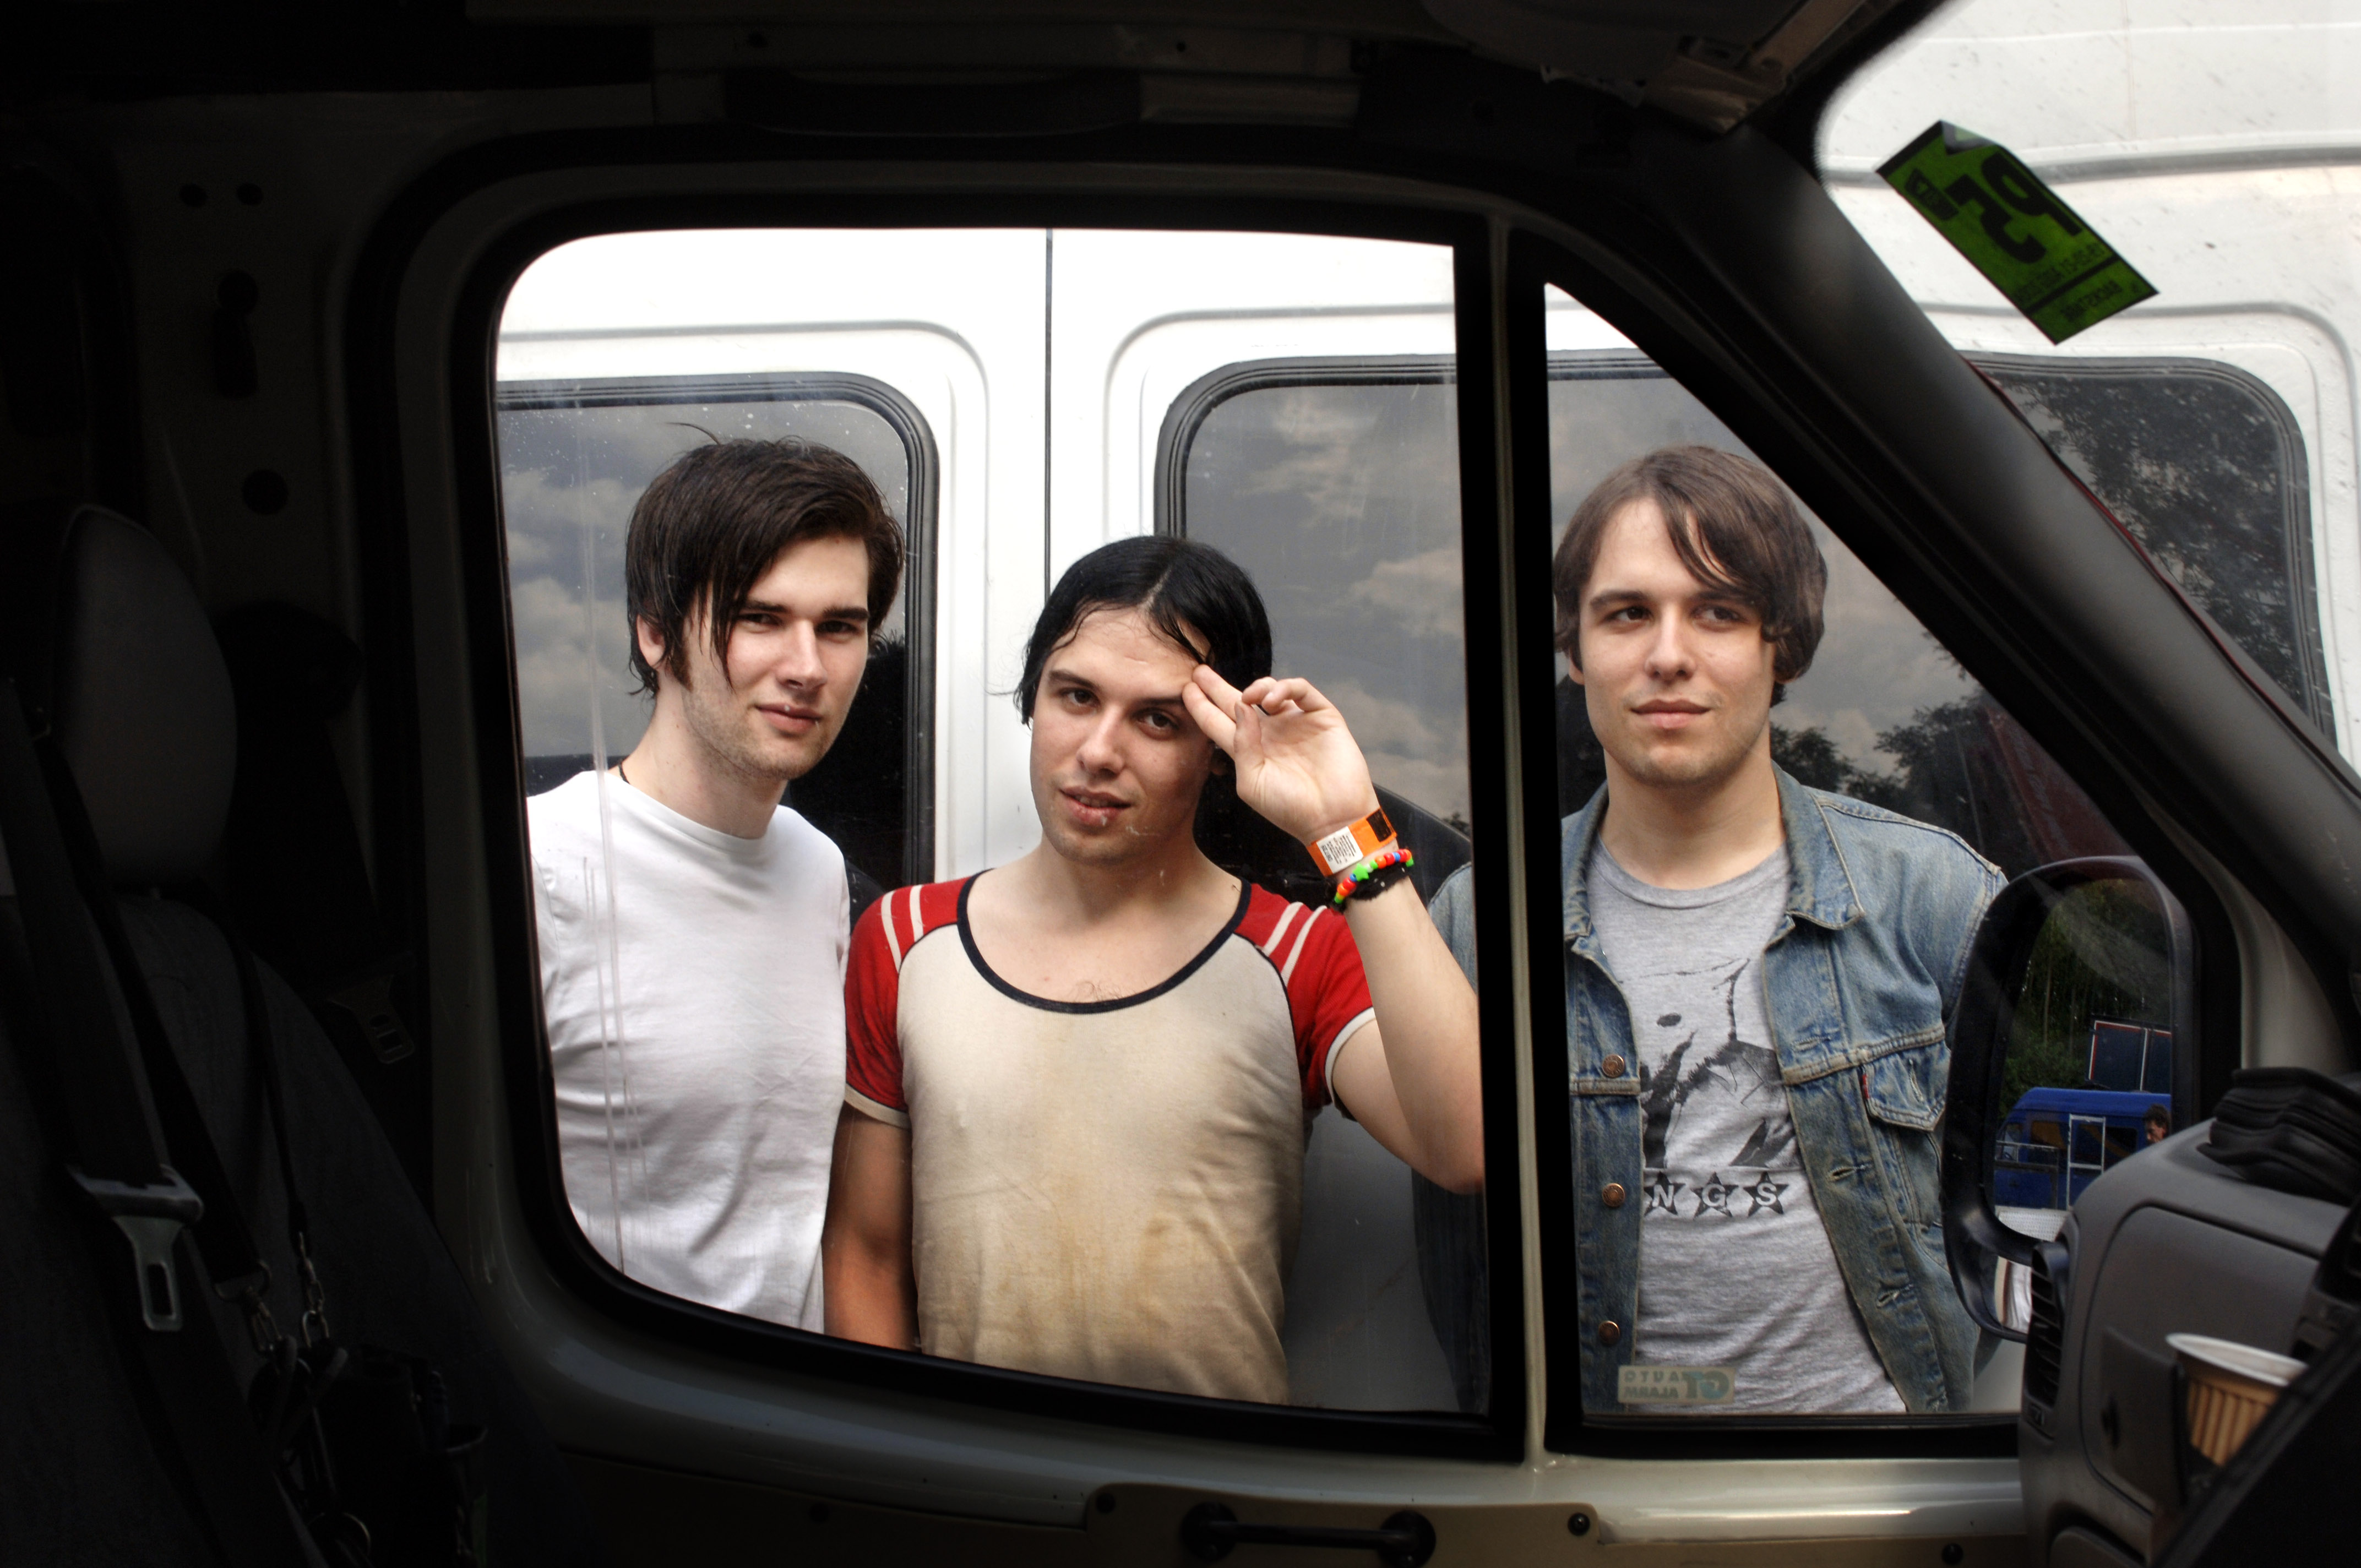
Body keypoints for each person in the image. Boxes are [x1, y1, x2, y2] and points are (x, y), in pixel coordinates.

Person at [820, 536, 1483, 1403]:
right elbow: (867, 1255)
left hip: (1214, 1503)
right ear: (1034, 698)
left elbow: (1468, 1149)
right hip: (977, 1494)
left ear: (1216, 746)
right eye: (1076, 696)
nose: (1099, 750)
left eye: (1158, 719)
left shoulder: (1295, 953)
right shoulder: (906, 939)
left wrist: (1346, 826)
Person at [1432, 445, 2000, 1415]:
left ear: (1782, 646)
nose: (1668, 654)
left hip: (1879, 1488)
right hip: (1588, 1498)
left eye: (1719, 611)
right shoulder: (1483, 921)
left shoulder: (1932, 895)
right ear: (1575, 651)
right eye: (1627, 613)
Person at [529, 438, 903, 1331]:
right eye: (759, 619)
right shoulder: (541, 870)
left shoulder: (816, 869)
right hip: (632, 1424)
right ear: (653, 631)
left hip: (790, 1419)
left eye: (839, 627)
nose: (807, 665)